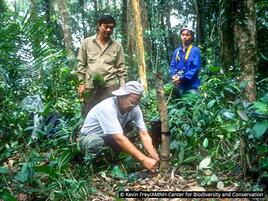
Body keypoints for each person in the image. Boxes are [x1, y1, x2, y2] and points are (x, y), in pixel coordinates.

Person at [79, 81, 160, 173]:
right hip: (89, 137)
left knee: (132, 132)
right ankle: (90, 169)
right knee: (95, 143)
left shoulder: (135, 109)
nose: (133, 106)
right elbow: (119, 137)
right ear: (121, 97)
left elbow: (144, 134)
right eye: (131, 102)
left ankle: (112, 158)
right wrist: (144, 159)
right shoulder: (107, 107)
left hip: (109, 138)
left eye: (136, 103)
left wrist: (153, 154)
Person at [77, 15, 126, 117]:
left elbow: (121, 69)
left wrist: (122, 87)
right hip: (90, 87)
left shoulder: (117, 46)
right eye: (106, 26)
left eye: (111, 27)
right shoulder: (87, 43)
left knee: (110, 115)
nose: (108, 30)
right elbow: (81, 64)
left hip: (110, 87)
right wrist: (81, 84)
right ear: (99, 26)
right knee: (89, 115)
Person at [169, 27, 201, 97]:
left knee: (191, 106)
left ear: (191, 37)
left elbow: (195, 69)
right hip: (179, 87)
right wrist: (174, 76)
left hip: (192, 87)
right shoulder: (177, 51)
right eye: (183, 35)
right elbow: (172, 66)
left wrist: (181, 78)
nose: (185, 37)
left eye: (187, 35)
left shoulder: (195, 51)